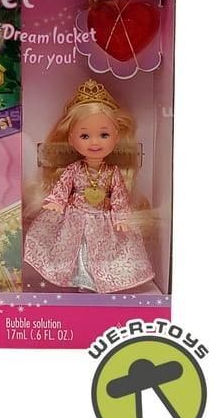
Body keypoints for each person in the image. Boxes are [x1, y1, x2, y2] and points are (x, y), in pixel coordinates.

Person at [23, 79, 154, 293]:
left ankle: (95, 282)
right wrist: (56, 202)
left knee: (100, 251)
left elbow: (119, 197)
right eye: (85, 135)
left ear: (116, 137)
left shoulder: (112, 172)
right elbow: (62, 187)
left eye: (104, 135)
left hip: (103, 222)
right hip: (74, 220)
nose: (94, 142)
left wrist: (121, 217)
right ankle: (79, 280)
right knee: (77, 250)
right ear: (71, 139)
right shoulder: (74, 169)